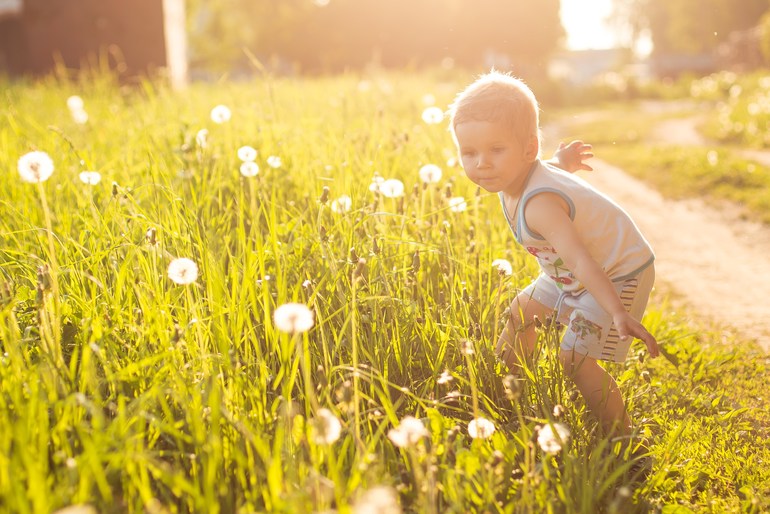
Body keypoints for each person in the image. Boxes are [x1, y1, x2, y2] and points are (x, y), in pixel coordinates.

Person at [448, 70, 658, 438]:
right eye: (470, 152)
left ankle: (624, 437)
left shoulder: (540, 205)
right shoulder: (515, 176)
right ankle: (506, 395)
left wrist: (616, 311)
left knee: (575, 358)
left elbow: (581, 260)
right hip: (566, 272)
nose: (482, 162)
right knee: (521, 314)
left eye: (496, 150)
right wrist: (561, 161)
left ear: (529, 149)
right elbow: (546, 170)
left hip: (614, 274)